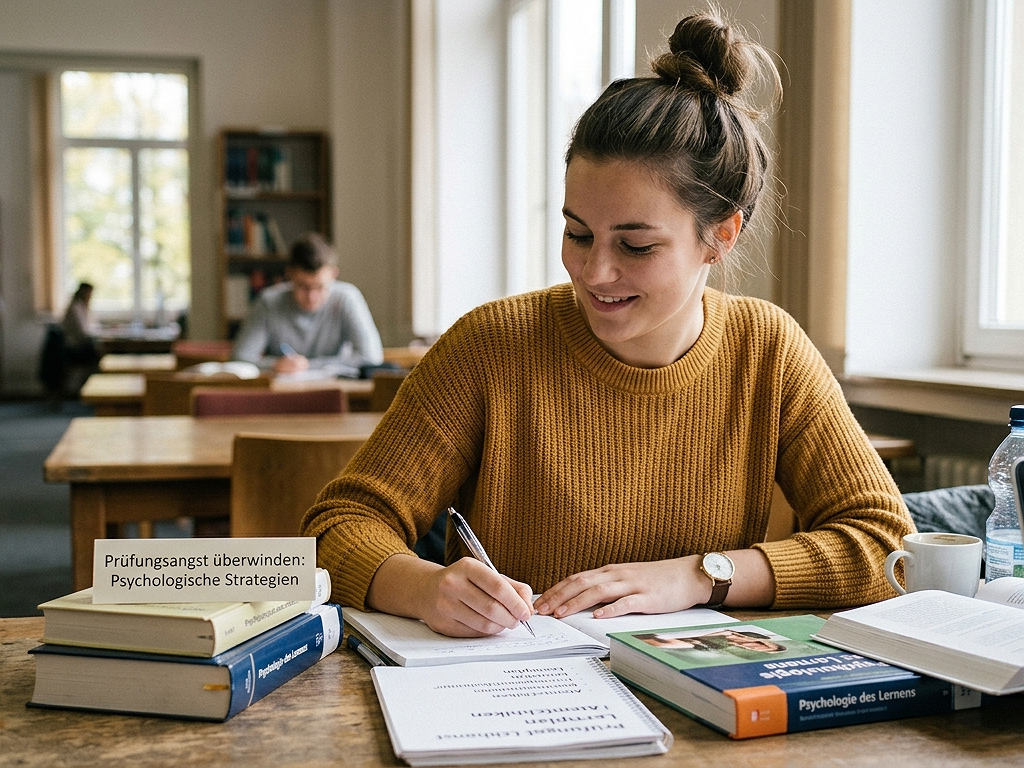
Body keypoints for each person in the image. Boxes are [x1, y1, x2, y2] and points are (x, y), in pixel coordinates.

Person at [301, 8, 914, 638]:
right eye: (577, 233)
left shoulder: (768, 350)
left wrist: (701, 576)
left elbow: (889, 549)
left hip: (705, 701)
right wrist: (425, 585)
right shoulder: (492, 344)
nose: (594, 272)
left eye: (636, 246)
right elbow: (339, 524)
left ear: (720, 235)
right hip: (519, 693)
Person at [231, 233, 384, 377]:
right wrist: (275, 365)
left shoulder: (347, 298)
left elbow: (372, 357)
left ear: (333, 274)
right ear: (289, 274)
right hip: (284, 395)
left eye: (320, 287)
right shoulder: (268, 302)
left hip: (335, 391)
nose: (312, 297)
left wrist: (308, 365)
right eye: (303, 286)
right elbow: (240, 358)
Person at [60, 282, 100, 366]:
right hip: (75, 347)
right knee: (98, 350)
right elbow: (83, 332)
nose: (90, 296)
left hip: (79, 344)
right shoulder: (75, 308)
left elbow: (91, 326)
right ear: (83, 292)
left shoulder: (82, 306)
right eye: (89, 293)